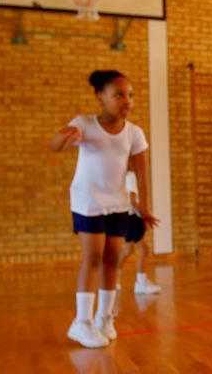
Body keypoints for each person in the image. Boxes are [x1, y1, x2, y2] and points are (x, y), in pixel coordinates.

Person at [51, 70, 159, 348]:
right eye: (119, 94)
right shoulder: (84, 123)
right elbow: (56, 147)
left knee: (113, 258)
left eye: (130, 95)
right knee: (93, 257)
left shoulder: (134, 132)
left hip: (118, 203)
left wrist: (145, 207)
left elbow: (142, 172)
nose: (127, 100)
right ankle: (81, 322)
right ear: (101, 97)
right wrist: (66, 135)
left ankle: (104, 318)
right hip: (88, 201)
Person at [116, 161, 162, 295]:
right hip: (132, 216)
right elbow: (132, 201)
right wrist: (144, 213)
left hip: (124, 216)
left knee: (129, 249)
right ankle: (141, 283)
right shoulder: (130, 176)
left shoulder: (120, 176)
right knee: (143, 248)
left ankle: (113, 278)